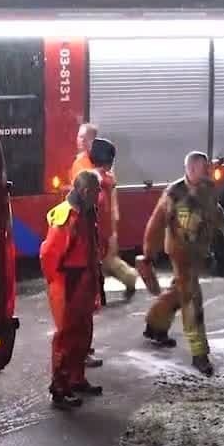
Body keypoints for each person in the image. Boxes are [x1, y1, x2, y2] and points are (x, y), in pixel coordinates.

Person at [142, 151, 224, 375]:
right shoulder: (174, 194)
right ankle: (199, 354)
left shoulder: (208, 189)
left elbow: (216, 213)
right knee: (192, 298)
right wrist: (148, 255)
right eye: (205, 168)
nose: (208, 171)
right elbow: (156, 224)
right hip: (180, 253)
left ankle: (155, 326)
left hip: (198, 252)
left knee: (179, 292)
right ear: (192, 169)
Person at [39, 170, 105, 408]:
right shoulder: (68, 217)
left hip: (82, 283)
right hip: (68, 283)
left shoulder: (87, 212)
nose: (101, 193)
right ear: (86, 191)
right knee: (66, 337)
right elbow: (48, 255)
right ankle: (60, 387)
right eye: (98, 189)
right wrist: (59, 284)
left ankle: (76, 379)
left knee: (83, 333)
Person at [70, 129, 140, 312]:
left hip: (97, 230)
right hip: (99, 229)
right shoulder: (100, 174)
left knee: (99, 263)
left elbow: (98, 204)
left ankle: (100, 296)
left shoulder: (94, 176)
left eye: (84, 137)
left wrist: (110, 234)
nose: (80, 140)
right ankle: (124, 282)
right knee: (103, 263)